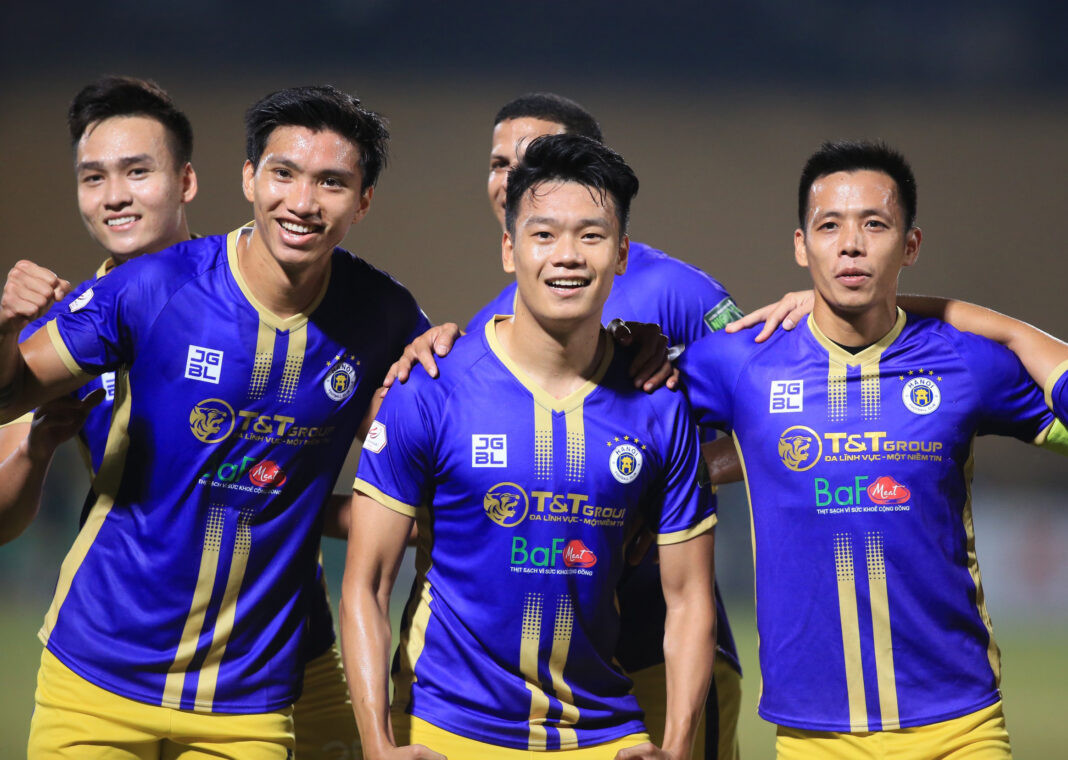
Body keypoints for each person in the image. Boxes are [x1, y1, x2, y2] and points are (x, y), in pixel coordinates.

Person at [0, 84, 430, 759]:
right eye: (284, 173)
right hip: (102, 661)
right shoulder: (136, 294)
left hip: (259, 678)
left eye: (331, 182)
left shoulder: (381, 315)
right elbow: (9, 398)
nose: (303, 200)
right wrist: (7, 334)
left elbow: (434, 458)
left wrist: (467, 347)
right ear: (249, 178)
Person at [678, 140, 1068, 758]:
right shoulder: (740, 361)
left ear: (910, 246)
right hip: (814, 735)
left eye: (875, 225)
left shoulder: (964, 362)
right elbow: (617, 423)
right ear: (801, 246)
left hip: (960, 726)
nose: (851, 245)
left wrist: (992, 324)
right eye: (829, 226)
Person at [389, 92, 744, 760]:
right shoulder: (495, 318)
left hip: (657, 643)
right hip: (527, 678)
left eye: (535, 156)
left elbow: (779, 409)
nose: (511, 176)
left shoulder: (676, 290)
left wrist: (671, 484)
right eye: (499, 162)